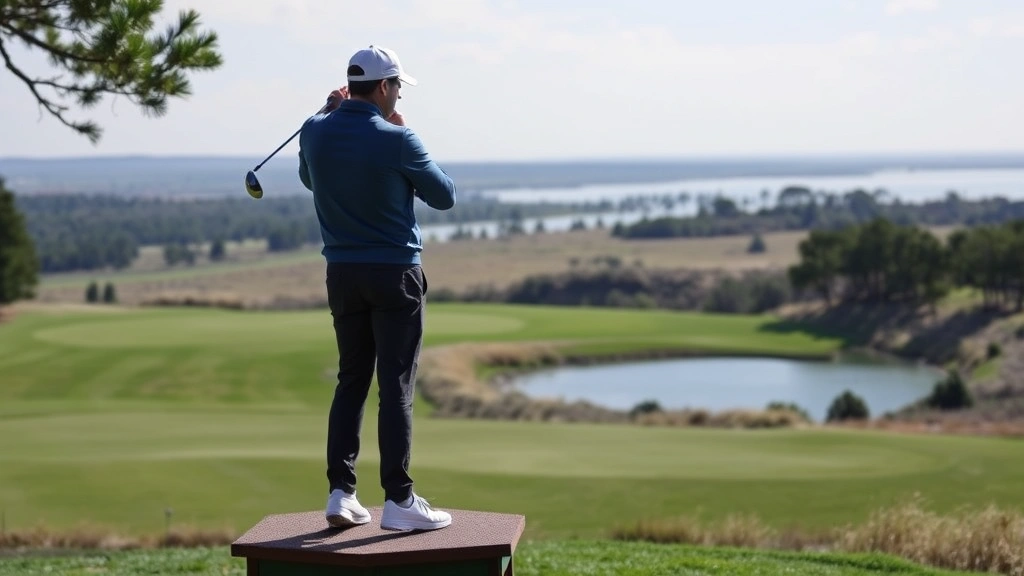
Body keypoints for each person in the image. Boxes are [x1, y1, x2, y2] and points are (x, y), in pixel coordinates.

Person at [298, 45, 456, 531]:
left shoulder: (314, 130)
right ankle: (399, 501)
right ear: (384, 87)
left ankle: (341, 493)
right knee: (396, 386)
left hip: (342, 275)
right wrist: (403, 131)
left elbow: (310, 177)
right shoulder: (398, 138)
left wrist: (328, 113)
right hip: (395, 275)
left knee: (351, 380)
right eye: (398, 87)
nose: (399, 95)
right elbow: (444, 196)